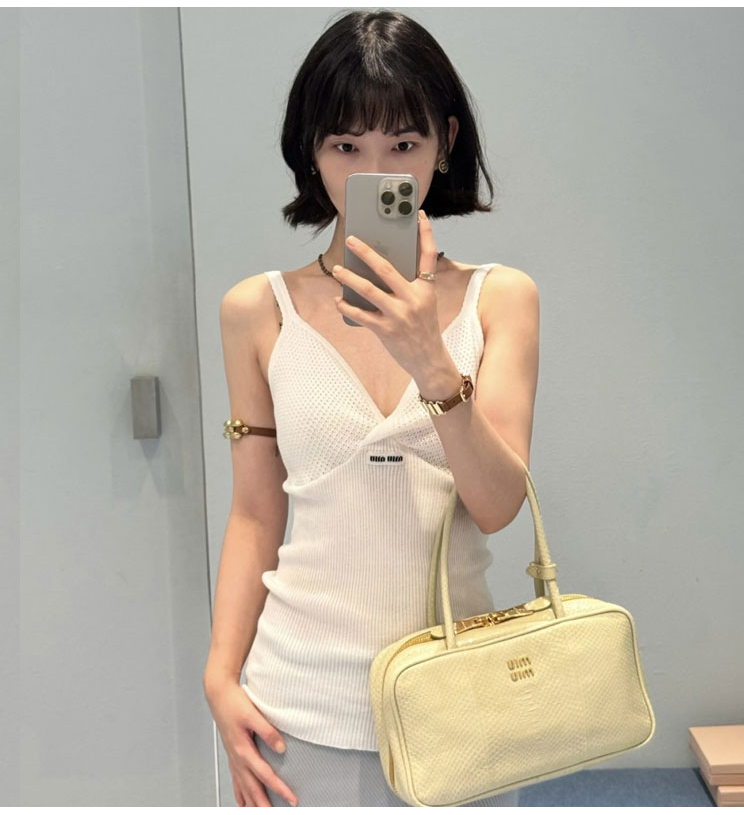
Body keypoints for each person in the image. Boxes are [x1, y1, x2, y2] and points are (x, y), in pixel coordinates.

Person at [204, 9, 539, 807]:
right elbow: (255, 513)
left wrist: (431, 359)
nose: (375, 170)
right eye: (346, 146)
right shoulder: (257, 310)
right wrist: (220, 675)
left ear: (444, 142)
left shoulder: (501, 300)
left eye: (403, 143)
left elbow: (497, 506)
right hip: (295, 711)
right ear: (309, 148)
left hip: (457, 705)